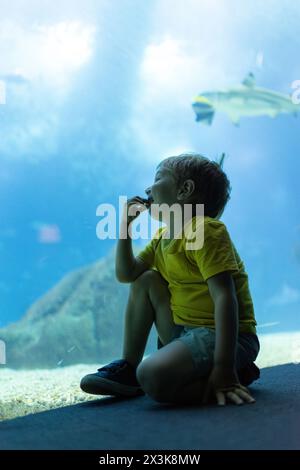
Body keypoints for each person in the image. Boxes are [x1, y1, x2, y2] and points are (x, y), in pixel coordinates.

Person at [80, 153, 260, 406]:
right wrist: (125, 228)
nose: (147, 189)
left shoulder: (205, 230)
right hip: (186, 331)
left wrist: (224, 366)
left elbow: (225, 297)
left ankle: (230, 376)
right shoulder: (163, 238)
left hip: (227, 336)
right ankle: (129, 368)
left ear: (185, 190)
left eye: (157, 178)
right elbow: (127, 274)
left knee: (152, 377)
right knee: (146, 280)